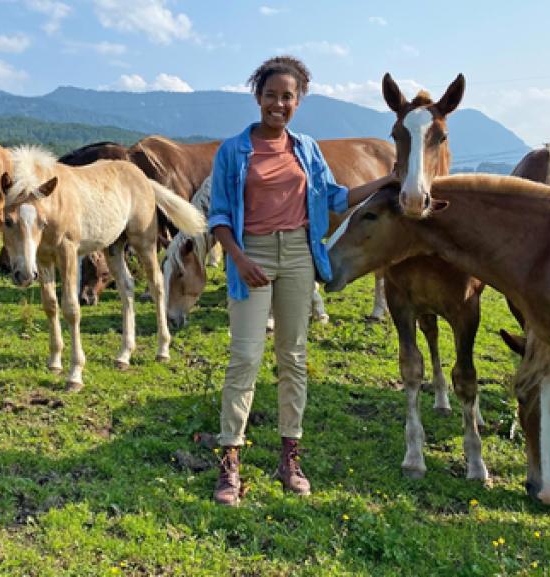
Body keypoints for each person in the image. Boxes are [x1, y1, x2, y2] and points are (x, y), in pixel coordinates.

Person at [208, 56, 398, 506]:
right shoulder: (233, 151)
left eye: (287, 97)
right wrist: (238, 259)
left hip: (298, 255)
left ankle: (289, 457)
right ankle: (230, 459)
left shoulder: (307, 149)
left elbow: (335, 197)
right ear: (258, 97)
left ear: (298, 101)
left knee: (293, 357)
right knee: (245, 357)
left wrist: (386, 181)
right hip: (251, 254)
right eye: (270, 95)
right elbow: (219, 216)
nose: (278, 104)